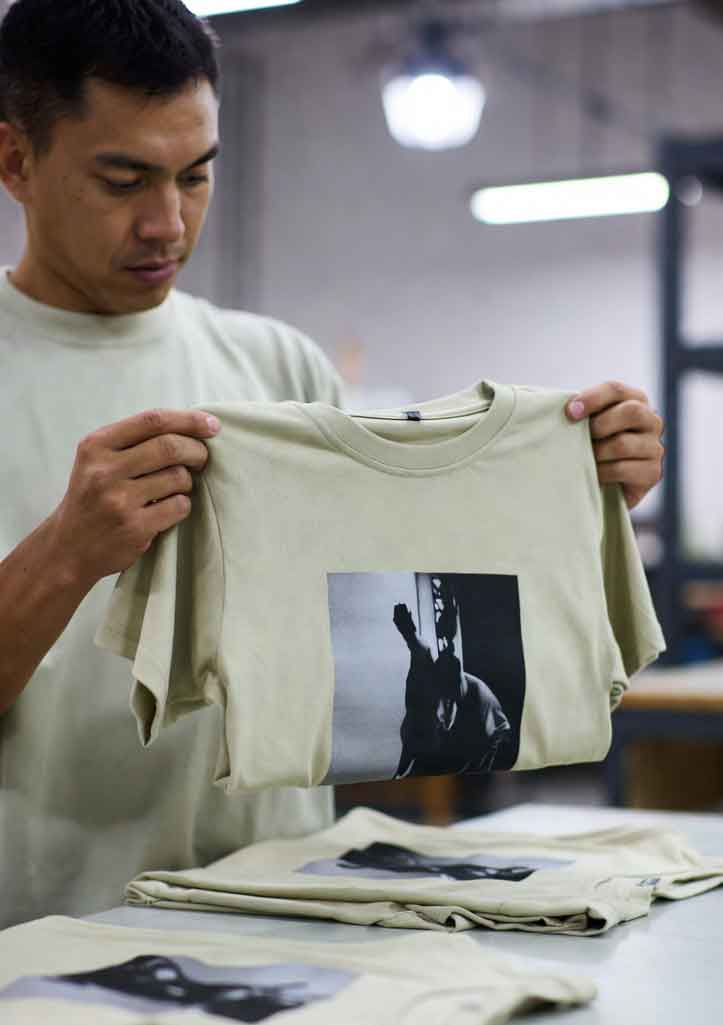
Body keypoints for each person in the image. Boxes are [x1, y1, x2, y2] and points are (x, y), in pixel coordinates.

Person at [0, 0, 665, 928]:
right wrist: (65, 555)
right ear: (16, 161)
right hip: (44, 943)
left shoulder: (280, 369)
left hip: (279, 917)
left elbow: (388, 636)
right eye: (124, 181)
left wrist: (573, 498)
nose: (168, 223)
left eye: (197, 175)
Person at [392, 603, 512, 778]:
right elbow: (420, 651)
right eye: (441, 702)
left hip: (470, 756)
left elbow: (501, 734)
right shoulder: (423, 695)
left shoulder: (479, 698)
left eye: (448, 702)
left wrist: (486, 767)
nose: (442, 711)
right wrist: (409, 633)